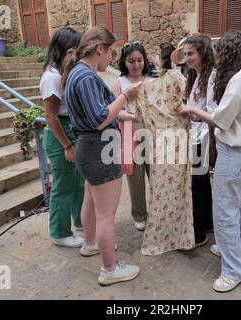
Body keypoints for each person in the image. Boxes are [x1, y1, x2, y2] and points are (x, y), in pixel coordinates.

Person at [177, 31, 241, 292]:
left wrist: (192, 110)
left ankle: (234, 270)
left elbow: (220, 119)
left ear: (231, 52)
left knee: (224, 213)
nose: (217, 57)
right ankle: (236, 251)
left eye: (221, 52)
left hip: (234, 153)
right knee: (235, 207)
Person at [61, 26, 142, 286]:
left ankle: (90, 242)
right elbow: (99, 119)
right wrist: (125, 95)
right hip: (98, 148)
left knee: (91, 202)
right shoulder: (85, 76)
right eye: (111, 53)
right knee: (107, 213)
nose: (111, 59)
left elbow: (104, 112)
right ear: (100, 49)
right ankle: (109, 269)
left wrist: (133, 116)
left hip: (90, 148)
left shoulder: (80, 73)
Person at [40, 27, 84, 248]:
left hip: (70, 130)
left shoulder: (61, 73)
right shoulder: (52, 77)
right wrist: (67, 145)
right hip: (61, 134)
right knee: (63, 186)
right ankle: (60, 232)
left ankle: (80, 223)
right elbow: (51, 116)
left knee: (77, 183)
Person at [111, 40, 157, 232]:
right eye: (131, 61)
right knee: (135, 178)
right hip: (130, 134)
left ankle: (158, 212)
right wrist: (136, 117)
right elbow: (115, 112)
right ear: (124, 62)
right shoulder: (118, 83)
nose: (136, 65)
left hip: (154, 133)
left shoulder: (153, 81)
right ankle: (139, 215)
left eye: (139, 60)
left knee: (157, 175)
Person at [181, 34, 216, 249]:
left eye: (190, 53)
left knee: (196, 184)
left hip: (202, 137)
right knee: (201, 182)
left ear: (202, 53)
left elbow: (211, 111)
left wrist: (191, 113)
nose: (186, 58)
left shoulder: (211, 77)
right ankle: (207, 223)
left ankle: (198, 233)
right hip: (196, 135)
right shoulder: (196, 75)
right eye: (185, 54)